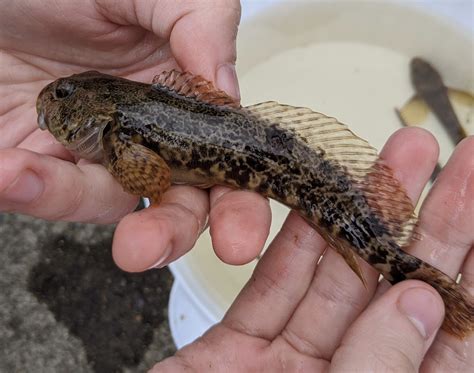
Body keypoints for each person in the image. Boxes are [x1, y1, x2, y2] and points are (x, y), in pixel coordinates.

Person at [0, 1, 472, 371]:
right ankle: (422, 285)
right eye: (64, 93)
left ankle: (413, 278)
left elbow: (150, 179)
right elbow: (154, 177)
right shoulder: (124, 116)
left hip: (288, 163)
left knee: (350, 232)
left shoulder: (122, 129)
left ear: (100, 116)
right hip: (264, 147)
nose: (56, 98)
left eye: (65, 95)